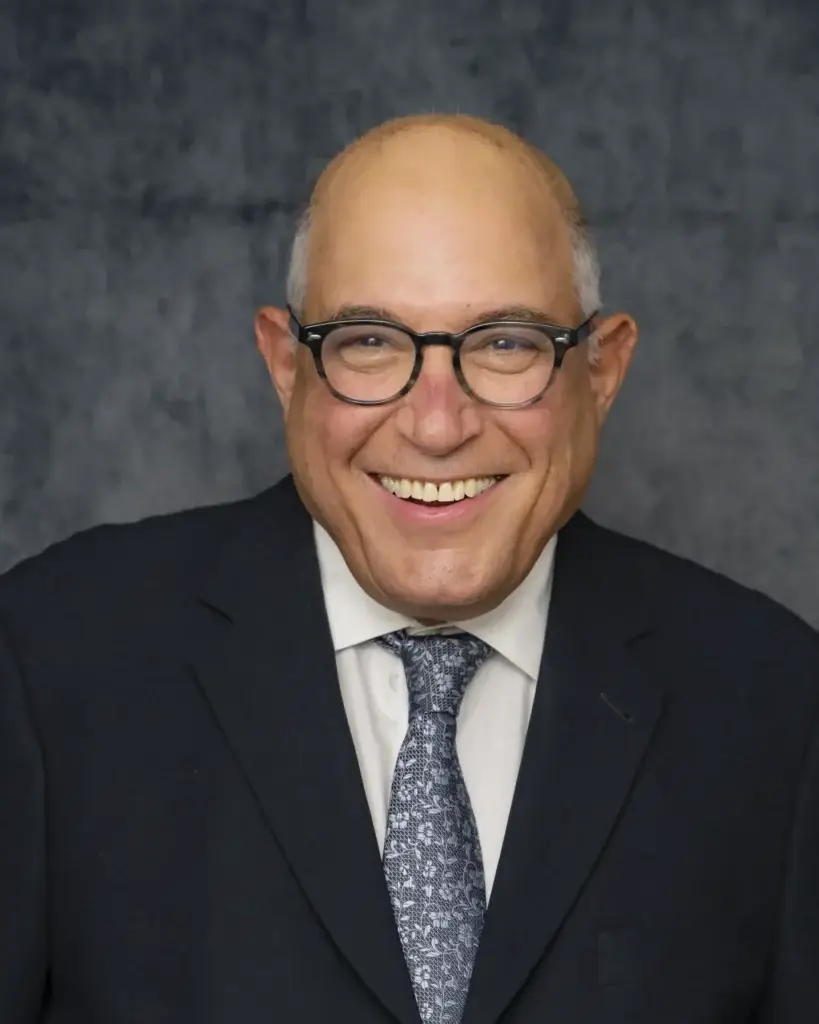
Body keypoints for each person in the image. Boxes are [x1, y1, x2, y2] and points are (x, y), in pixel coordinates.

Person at [0, 114, 817, 1024]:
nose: (436, 425)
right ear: (285, 364)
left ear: (600, 370)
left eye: (504, 343)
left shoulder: (775, 703)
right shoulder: (49, 661)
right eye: (369, 342)